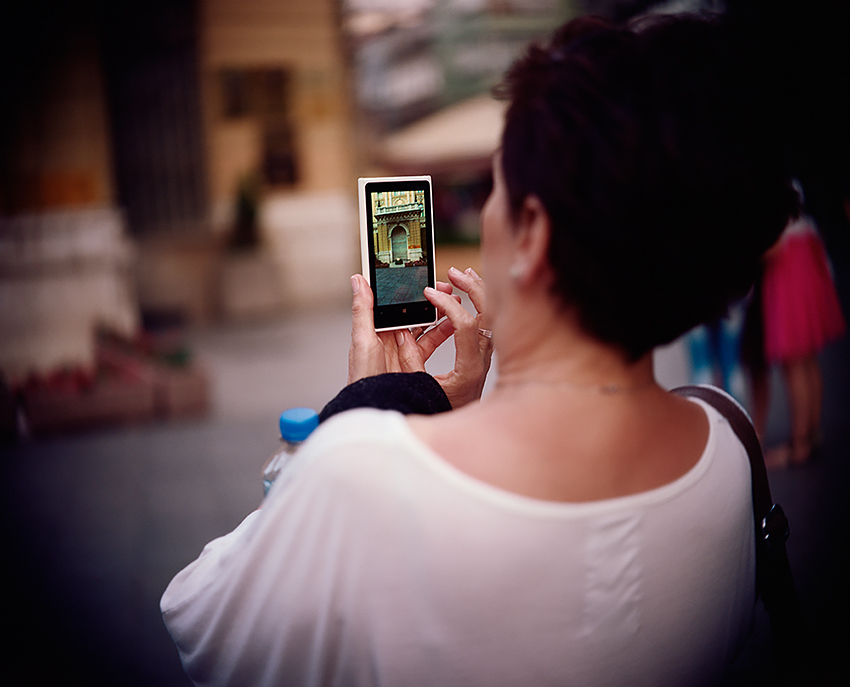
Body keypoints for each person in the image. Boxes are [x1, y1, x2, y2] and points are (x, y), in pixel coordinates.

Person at [161, 13, 798, 686]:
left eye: (497, 188)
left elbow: (197, 615)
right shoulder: (729, 436)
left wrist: (371, 408)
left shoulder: (358, 469)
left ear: (531, 231)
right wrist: (439, 409)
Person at [757, 197, 846, 467]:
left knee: (793, 361)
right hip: (806, 255)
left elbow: (772, 247)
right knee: (808, 358)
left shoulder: (767, 186)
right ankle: (812, 433)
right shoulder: (791, 182)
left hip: (788, 267)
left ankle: (800, 443)